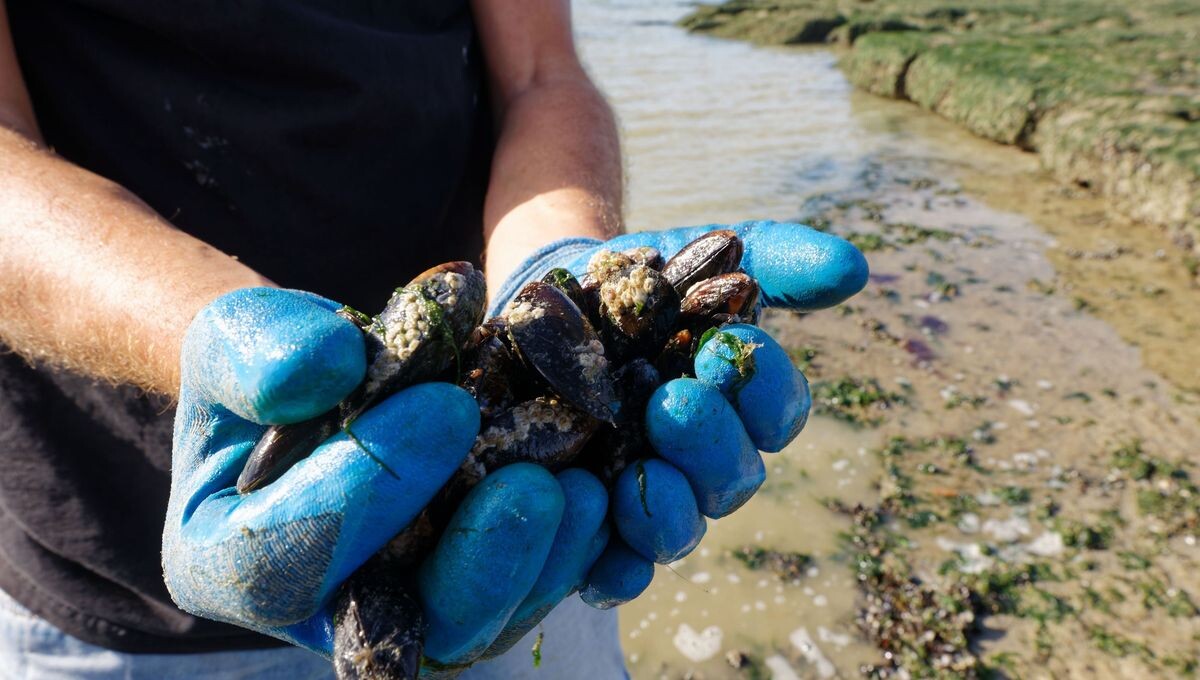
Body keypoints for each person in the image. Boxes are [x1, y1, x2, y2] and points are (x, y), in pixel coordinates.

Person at [0, 1, 867, 678]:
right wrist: (209, 332)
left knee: (526, 531)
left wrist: (560, 262)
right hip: (111, 587)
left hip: (511, 526)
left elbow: (539, 74)